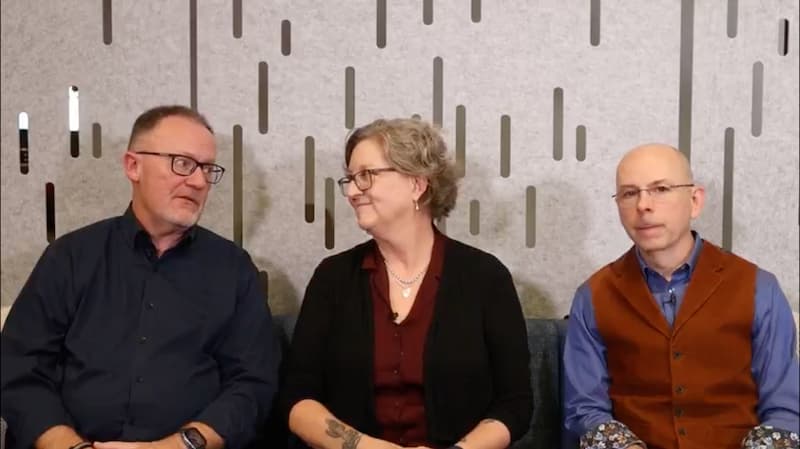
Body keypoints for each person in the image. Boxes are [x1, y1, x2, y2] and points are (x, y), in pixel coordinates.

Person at [1, 105, 278, 449]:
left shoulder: (233, 269)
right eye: (183, 163)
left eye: (208, 169)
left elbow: (252, 385)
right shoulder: (70, 257)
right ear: (133, 165)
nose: (198, 181)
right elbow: (18, 368)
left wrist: (176, 446)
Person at [281, 118, 532, 449]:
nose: (353, 191)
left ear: (417, 183)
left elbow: (515, 403)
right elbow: (297, 400)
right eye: (351, 179)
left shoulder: (485, 277)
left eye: (366, 175)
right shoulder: (333, 277)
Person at [563, 143, 800, 448]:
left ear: (695, 201)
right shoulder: (592, 295)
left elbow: (786, 411)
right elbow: (583, 409)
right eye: (629, 193)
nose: (643, 205)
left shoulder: (759, 287)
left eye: (660, 189)